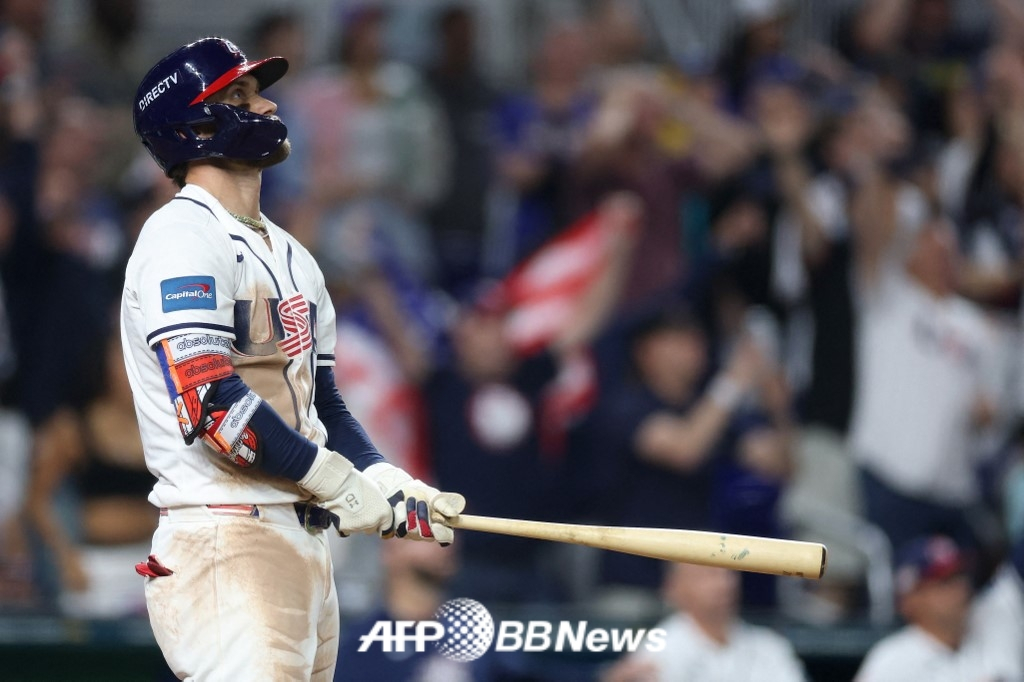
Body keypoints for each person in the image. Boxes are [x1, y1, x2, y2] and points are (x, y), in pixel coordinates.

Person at [122, 37, 464, 681]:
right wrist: (333, 479)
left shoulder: (292, 253)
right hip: (226, 538)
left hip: (300, 541)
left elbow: (320, 402)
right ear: (195, 125)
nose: (268, 105)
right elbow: (212, 405)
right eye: (241, 95)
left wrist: (381, 475)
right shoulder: (180, 235)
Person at [601, 562, 807, 682]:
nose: (723, 583)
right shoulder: (660, 649)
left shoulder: (770, 646)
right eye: (707, 575)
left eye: (727, 572)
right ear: (674, 587)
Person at [854, 535, 1024, 682]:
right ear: (910, 600)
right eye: (944, 582)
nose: (960, 588)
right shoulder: (890, 663)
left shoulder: (995, 620)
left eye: (960, 576)